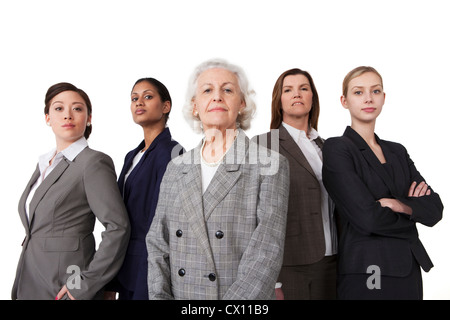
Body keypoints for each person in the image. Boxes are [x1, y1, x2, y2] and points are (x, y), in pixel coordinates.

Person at [146, 58, 290, 300]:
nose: (217, 97)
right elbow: (158, 244)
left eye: (227, 89)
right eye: (207, 90)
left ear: (242, 103)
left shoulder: (270, 165)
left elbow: (266, 253)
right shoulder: (176, 167)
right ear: (195, 105)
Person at [322, 66, 443, 299]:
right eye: (358, 92)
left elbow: (435, 209)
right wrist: (413, 211)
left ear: (384, 98)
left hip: (407, 267)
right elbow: (367, 219)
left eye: (375, 91)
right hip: (368, 268)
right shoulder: (338, 148)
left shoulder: (397, 151)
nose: (368, 98)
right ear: (344, 101)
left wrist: (401, 206)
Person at [12, 82, 130, 300]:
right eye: (58, 108)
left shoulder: (92, 163)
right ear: (47, 117)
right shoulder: (44, 164)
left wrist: (83, 285)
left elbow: (118, 227)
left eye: (77, 108)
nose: (68, 115)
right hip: (30, 280)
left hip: (65, 287)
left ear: (89, 118)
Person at [254, 68, 338, 299]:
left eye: (304, 88)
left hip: (336, 261)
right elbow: (254, 216)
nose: (297, 94)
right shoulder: (263, 144)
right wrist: (272, 279)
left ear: (313, 97)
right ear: (278, 100)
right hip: (291, 266)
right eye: (288, 90)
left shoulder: (329, 146)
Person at [105, 78, 183, 300]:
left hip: (150, 263)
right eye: (134, 98)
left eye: (148, 96)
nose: (139, 102)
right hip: (125, 263)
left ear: (165, 106)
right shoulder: (132, 156)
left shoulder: (173, 153)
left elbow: (166, 222)